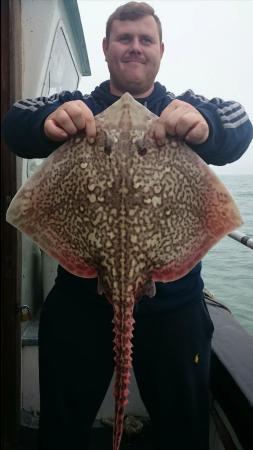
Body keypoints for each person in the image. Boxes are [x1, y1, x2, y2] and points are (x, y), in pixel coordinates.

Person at [2, 2, 253, 450]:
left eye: (145, 39)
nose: (135, 47)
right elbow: (16, 121)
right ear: (106, 48)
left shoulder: (183, 106)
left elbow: (239, 124)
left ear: (160, 50)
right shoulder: (77, 106)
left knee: (184, 429)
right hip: (81, 301)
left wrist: (207, 124)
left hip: (174, 305)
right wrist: (46, 122)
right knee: (63, 430)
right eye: (124, 38)